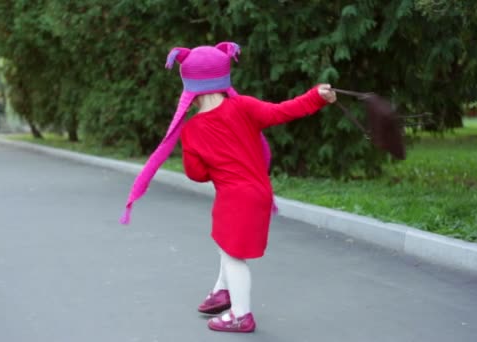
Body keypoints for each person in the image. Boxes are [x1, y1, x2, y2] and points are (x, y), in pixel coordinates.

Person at [119, 42, 337, 333]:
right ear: (223, 79)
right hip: (260, 191)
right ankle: (222, 291)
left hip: (234, 197)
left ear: (190, 90)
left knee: (234, 256)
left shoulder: (192, 130)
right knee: (226, 242)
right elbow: (283, 111)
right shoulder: (245, 106)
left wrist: (214, 166)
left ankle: (240, 315)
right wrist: (316, 97)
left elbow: (195, 174)